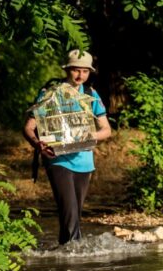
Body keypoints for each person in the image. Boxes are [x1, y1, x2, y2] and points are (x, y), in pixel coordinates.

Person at [23, 50, 111, 244]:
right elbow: (29, 128)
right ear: (67, 70)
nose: (80, 75)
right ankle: (73, 258)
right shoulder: (50, 93)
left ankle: (66, 259)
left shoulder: (91, 94)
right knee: (69, 212)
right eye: (76, 70)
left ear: (89, 73)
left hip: (84, 161)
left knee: (73, 216)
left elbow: (106, 130)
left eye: (85, 71)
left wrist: (87, 136)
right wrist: (38, 144)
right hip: (57, 159)